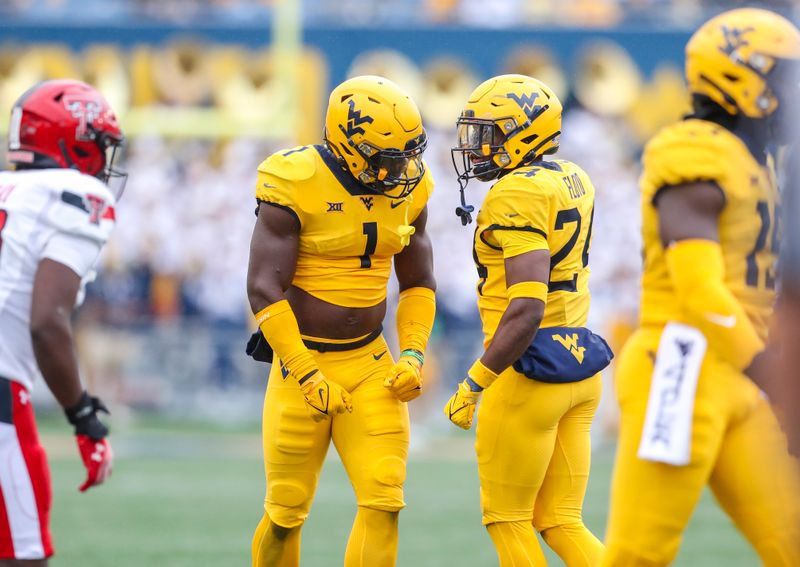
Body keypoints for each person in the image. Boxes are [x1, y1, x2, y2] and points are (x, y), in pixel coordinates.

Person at [602, 8, 800, 566]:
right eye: (784, 77)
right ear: (743, 79)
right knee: (638, 555)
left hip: (740, 372)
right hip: (682, 365)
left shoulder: (757, 161)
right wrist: (778, 379)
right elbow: (700, 292)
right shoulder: (695, 150)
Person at [246, 75, 436, 567]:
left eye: (409, 154)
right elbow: (263, 287)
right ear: (351, 145)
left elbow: (418, 282)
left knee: (385, 499)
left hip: (371, 362)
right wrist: (305, 372)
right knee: (286, 511)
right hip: (300, 363)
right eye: (390, 158)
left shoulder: (412, 188)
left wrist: (413, 352)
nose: (405, 170)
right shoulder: (295, 181)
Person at [443, 74, 611, 567]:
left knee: (509, 519)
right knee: (562, 521)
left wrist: (475, 382)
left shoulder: (515, 193)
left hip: (526, 372)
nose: (476, 147)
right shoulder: (574, 176)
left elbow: (527, 306)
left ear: (525, 134)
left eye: (489, 134)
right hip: (579, 363)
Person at [0, 79, 123, 565]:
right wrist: (83, 415)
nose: (102, 157)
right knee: (24, 556)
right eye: (99, 143)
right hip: (3, 390)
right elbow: (47, 322)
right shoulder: (75, 194)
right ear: (72, 139)